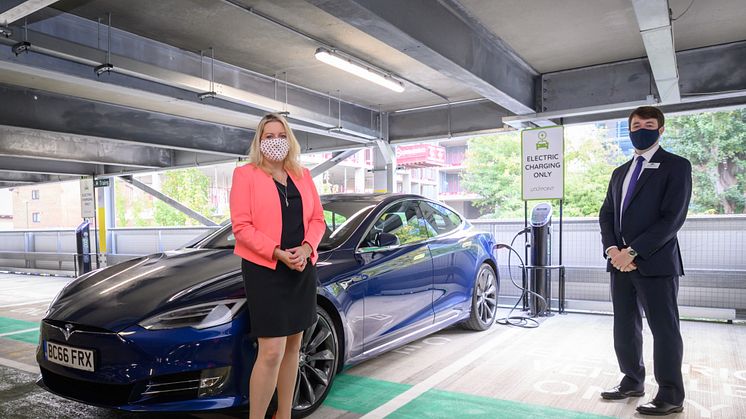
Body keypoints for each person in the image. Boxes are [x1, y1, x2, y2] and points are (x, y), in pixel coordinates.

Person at [230, 113, 325, 419]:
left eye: (280, 135)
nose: (275, 141)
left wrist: (307, 247)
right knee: (271, 352)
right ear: (259, 141)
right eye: (268, 136)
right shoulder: (245, 175)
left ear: (289, 139)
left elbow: (317, 220)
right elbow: (241, 227)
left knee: (293, 349)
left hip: (301, 268)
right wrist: (278, 252)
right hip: (266, 271)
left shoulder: (303, 175)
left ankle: (283, 414)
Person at [598, 106, 692, 416]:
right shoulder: (620, 172)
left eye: (648, 124)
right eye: (636, 125)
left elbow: (671, 219)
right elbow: (607, 214)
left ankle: (670, 394)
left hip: (655, 262)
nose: (641, 129)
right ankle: (631, 380)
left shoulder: (676, 166)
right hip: (620, 263)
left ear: (661, 129)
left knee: (664, 329)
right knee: (625, 325)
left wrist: (633, 251)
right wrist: (613, 250)